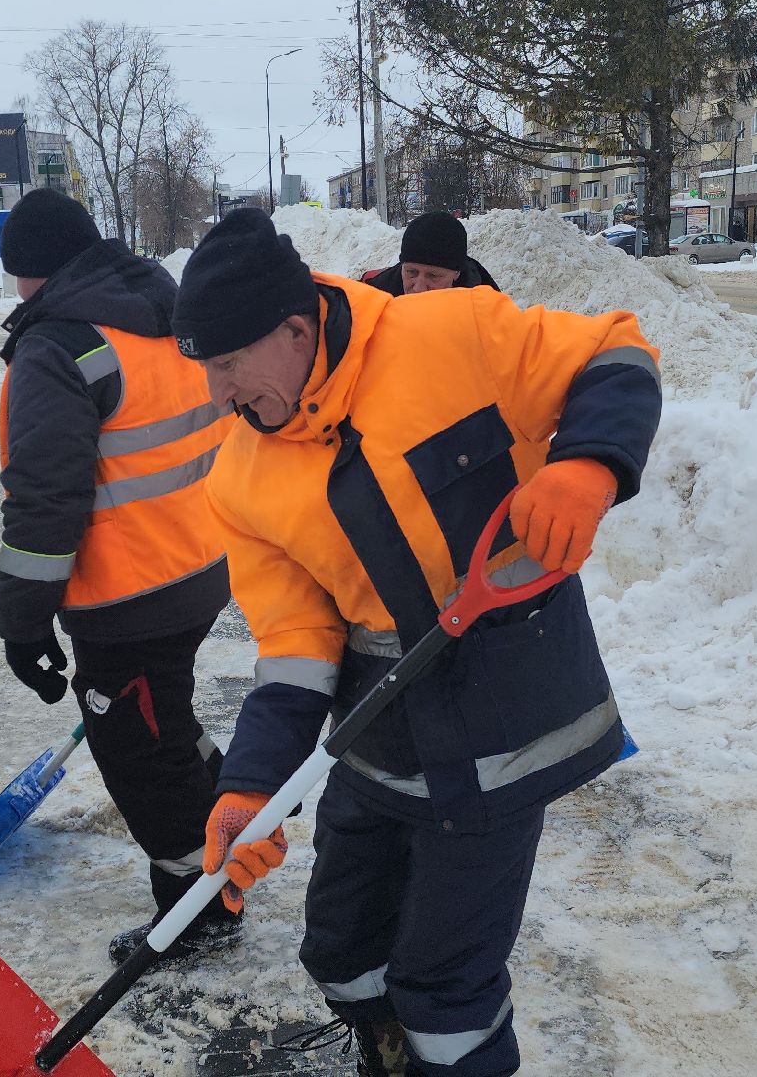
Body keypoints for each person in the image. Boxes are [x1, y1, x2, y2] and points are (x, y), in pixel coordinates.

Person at [173, 208, 660, 1076]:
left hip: (504, 722)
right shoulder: (240, 479)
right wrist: (251, 786)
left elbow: (615, 351)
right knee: (340, 948)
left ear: (296, 330)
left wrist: (589, 462)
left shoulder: (451, 333)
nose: (218, 395)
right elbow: (294, 641)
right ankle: (387, 1050)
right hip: (381, 733)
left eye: (227, 365)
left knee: (445, 986)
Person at [0, 190, 238, 966]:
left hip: (127, 593)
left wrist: (22, 623)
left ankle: (197, 908)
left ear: (35, 271)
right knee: (161, 711)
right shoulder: (161, 312)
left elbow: (45, 498)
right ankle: (234, 796)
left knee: (135, 752)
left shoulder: (59, 345)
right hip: (200, 566)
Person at [360, 211, 499, 295]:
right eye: (411, 272)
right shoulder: (374, 294)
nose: (419, 288)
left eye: (433, 276)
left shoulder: (489, 314)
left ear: (457, 273)